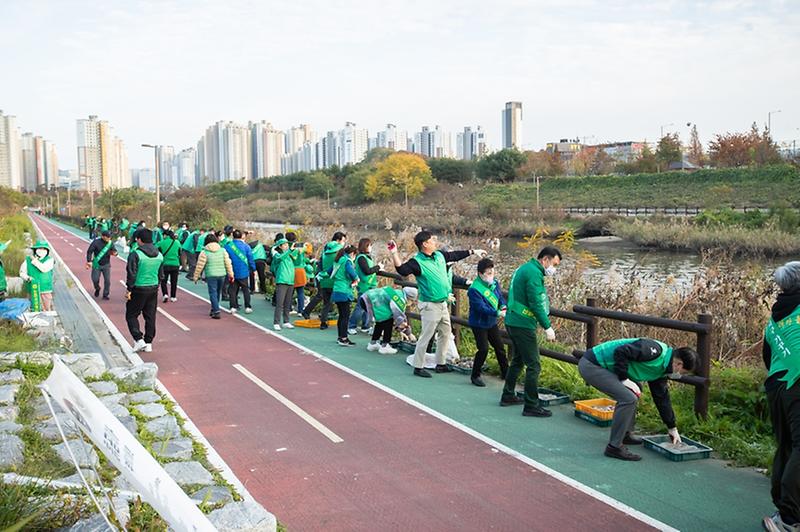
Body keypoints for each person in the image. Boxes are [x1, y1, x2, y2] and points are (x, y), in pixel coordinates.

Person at [578, 337, 697, 461]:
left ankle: (625, 434)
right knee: (628, 398)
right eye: (683, 372)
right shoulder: (655, 351)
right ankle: (614, 447)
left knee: (634, 391)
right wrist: (624, 379)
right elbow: (621, 351)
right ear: (679, 364)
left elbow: (662, 398)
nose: (680, 376)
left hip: (605, 367)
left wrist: (672, 427)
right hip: (592, 364)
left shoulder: (662, 370)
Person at [389, 230, 485, 378]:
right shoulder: (417, 262)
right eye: (432, 240)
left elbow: (455, 255)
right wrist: (394, 253)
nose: (435, 242)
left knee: (445, 333)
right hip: (429, 305)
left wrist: (473, 251)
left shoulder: (439, 255)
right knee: (426, 336)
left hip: (442, 304)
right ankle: (418, 366)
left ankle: (441, 364)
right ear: (425, 244)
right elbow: (402, 270)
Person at [500, 246, 561, 417]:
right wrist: (547, 326)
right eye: (554, 264)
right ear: (545, 260)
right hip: (523, 324)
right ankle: (531, 405)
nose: (554, 269)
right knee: (534, 364)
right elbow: (536, 302)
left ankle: (508, 395)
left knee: (518, 359)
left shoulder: (526, 268)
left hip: (513, 320)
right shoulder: (534, 273)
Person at [762, 262, 800, 532]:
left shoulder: (774, 319)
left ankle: (782, 509)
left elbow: (768, 356)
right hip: (797, 382)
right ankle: (789, 518)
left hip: (776, 385)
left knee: (786, 445)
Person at [467, 258, 509, 387]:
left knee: (500, 347)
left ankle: (506, 373)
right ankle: (475, 375)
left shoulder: (494, 283)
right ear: (480, 274)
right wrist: (496, 313)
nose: (491, 275)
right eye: (488, 273)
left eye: (492, 272)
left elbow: (500, 297)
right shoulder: (474, 289)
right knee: (483, 349)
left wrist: (503, 306)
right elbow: (480, 307)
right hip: (478, 323)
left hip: (491, 322)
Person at [125, 230, 164, 352]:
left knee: (131, 315)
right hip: (153, 288)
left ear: (140, 240)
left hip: (138, 288)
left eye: (137, 239)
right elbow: (161, 275)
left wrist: (129, 289)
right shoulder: (159, 255)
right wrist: (156, 284)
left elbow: (131, 273)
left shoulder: (136, 254)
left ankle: (138, 339)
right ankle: (149, 342)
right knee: (150, 316)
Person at [303, 231, 347, 330]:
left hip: (322, 278)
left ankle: (323, 320)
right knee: (329, 301)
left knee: (326, 301)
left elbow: (320, 264)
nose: (344, 243)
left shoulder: (326, 251)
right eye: (343, 241)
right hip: (333, 279)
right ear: (338, 240)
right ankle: (326, 318)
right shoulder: (339, 252)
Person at [360, 285, 417, 354]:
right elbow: (399, 318)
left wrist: (401, 329)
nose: (411, 303)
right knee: (388, 320)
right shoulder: (399, 300)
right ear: (409, 298)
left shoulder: (398, 292)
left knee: (381, 321)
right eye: (412, 301)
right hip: (371, 301)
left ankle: (373, 343)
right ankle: (385, 346)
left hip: (366, 298)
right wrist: (409, 333)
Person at [192, 233, 233, 319]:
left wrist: (196, 277)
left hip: (211, 275)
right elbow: (228, 263)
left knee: (213, 293)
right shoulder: (222, 250)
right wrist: (231, 274)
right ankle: (214, 308)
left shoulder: (204, 252)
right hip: (222, 274)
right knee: (217, 292)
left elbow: (199, 266)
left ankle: (216, 311)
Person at [349, 238, 382, 335]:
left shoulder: (366, 257)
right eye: (370, 245)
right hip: (364, 286)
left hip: (370, 285)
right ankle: (351, 325)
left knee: (368, 307)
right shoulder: (361, 258)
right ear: (365, 246)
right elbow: (367, 271)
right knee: (361, 307)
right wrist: (378, 267)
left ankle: (365, 326)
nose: (371, 247)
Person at [330, 245, 359, 346]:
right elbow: (352, 272)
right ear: (352, 254)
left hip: (337, 289)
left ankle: (340, 336)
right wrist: (356, 279)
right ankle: (343, 338)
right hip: (344, 291)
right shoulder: (347, 261)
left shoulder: (338, 260)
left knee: (341, 315)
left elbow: (329, 271)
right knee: (345, 316)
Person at [19, 240, 55, 312]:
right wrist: (28, 278)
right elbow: (22, 272)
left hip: (45, 289)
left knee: (46, 309)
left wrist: (34, 260)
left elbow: (43, 269)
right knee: (33, 308)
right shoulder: (27, 260)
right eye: (40, 248)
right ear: (35, 250)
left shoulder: (50, 260)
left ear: (47, 251)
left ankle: (47, 322)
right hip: (32, 289)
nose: (42, 250)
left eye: (44, 249)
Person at [225, 229, 255, 314]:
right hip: (244, 272)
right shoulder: (246, 246)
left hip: (232, 271)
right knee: (246, 289)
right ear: (242, 236)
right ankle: (247, 307)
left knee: (233, 290)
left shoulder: (228, 246)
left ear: (233, 236)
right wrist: (253, 268)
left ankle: (233, 307)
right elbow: (250, 259)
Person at [271, 238, 298, 330]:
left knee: (288, 303)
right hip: (282, 281)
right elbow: (280, 258)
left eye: (287, 244)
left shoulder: (289, 255)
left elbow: (297, 261)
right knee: (280, 303)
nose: (287, 246)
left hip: (290, 281)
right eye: (285, 244)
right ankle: (276, 322)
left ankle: (286, 321)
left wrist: (297, 251)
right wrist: (289, 250)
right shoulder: (277, 254)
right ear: (280, 246)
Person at [85, 230, 118, 300]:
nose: (109, 238)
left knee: (107, 281)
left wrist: (115, 253)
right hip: (97, 264)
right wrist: (89, 261)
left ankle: (105, 294)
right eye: (108, 237)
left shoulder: (110, 243)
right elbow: (89, 252)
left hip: (106, 264)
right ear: (103, 236)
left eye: (110, 237)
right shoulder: (96, 242)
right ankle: (97, 288)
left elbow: (114, 251)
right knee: (95, 279)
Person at [286, 232, 310, 315]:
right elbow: (308, 250)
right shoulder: (300, 246)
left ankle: (289, 308)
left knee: (290, 291)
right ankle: (300, 310)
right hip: (300, 270)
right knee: (300, 292)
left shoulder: (286, 246)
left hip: (290, 270)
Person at [156, 229, 181, 303]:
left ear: (166, 235)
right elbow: (180, 252)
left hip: (165, 264)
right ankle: (173, 296)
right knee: (174, 281)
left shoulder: (161, 243)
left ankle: (165, 294)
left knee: (163, 280)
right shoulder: (177, 243)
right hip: (175, 264)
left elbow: (157, 251)